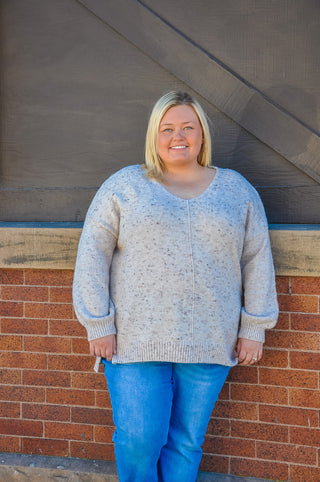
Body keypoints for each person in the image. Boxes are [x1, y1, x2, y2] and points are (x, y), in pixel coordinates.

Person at [73, 91, 278, 482]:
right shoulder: (125, 185)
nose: (177, 135)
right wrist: (98, 323)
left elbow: (256, 259)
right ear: (154, 136)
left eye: (187, 126)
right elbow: (92, 254)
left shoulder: (237, 190)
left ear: (202, 135)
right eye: (167, 128)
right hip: (135, 341)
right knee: (138, 439)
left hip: (210, 340)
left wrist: (254, 328)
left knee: (186, 442)